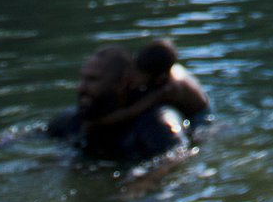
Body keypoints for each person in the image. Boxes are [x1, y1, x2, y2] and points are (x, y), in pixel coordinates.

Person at [45, 45, 191, 163]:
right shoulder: (72, 120)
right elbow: (33, 138)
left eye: (93, 80)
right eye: (82, 78)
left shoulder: (157, 122)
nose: (81, 87)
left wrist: (144, 181)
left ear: (121, 83)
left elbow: (177, 155)